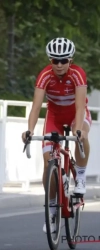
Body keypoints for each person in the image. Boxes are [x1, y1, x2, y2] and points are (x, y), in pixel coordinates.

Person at [22, 37, 91, 233]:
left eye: (63, 61)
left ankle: (81, 176)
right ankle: (52, 207)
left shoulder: (78, 74)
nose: (59, 65)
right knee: (47, 162)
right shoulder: (44, 75)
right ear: (50, 61)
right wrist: (30, 130)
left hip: (75, 113)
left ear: (71, 60)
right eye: (55, 61)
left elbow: (79, 107)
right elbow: (36, 107)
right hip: (54, 114)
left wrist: (78, 130)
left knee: (83, 134)